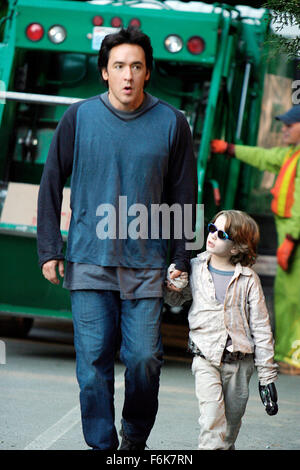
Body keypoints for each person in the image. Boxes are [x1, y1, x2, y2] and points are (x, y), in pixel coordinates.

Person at [37, 27, 197, 450]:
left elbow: (183, 194)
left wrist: (181, 257)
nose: (128, 75)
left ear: (148, 73)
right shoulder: (79, 117)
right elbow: (51, 182)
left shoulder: (172, 122)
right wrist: (50, 249)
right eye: (119, 66)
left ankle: (134, 440)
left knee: (145, 359)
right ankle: (105, 448)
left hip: (146, 265)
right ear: (105, 73)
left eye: (137, 66)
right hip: (89, 260)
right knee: (92, 366)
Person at [165, 210, 278, 450]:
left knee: (229, 431)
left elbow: (261, 328)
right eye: (211, 228)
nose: (213, 235)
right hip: (205, 359)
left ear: (236, 247)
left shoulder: (248, 279)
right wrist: (173, 284)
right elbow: (175, 301)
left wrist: (267, 377)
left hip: (240, 364)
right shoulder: (195, 268)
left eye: (222, 233)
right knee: (211, 421)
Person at [211, 105, 300, 375]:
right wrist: (230, 149)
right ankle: (288, 354)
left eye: (289, 125)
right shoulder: (290, 155)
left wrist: (292, 238)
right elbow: (262, 156)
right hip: (290, 232)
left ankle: (293, 357)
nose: (283, 129)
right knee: (286, 298)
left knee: (293, 300)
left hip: (294, 235)